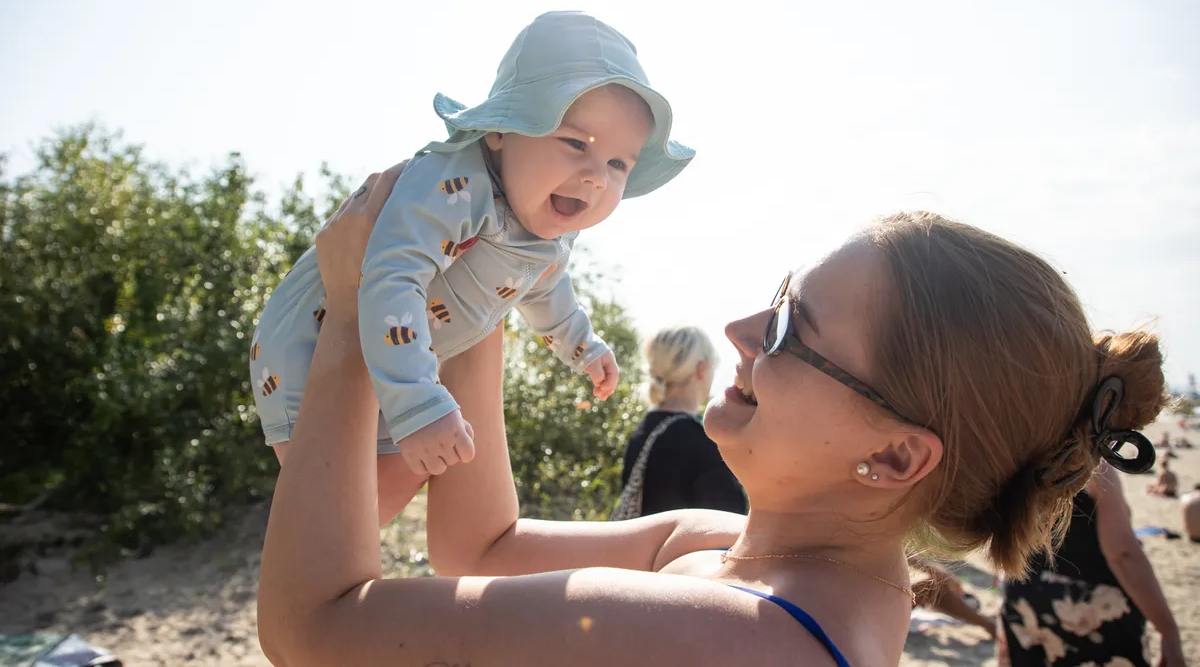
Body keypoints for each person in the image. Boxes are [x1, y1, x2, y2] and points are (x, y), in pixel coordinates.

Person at [258, 183, 1171, 667]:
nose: (740, 330)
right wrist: (482, 284)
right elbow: (479, 544)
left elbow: (312, 631)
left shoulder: (734, 635)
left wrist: (352, 322)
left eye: (788, 329)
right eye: (776, 299)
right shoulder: (747, 559)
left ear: (894, 454)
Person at [249, 11, 694, 509]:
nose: (595, 176)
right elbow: (392, 277)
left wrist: (582, 345)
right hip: (307, 351)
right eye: (575, 143)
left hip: (395, 360)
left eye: (617, 164)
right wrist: (418, 399)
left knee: (388, 494)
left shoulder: (545, 228)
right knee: (331, 503)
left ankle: (340, 563)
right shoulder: (454, 182)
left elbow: (547, 288)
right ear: (500, 131)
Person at [998, 465, 1185, 666]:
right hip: (1085, 599)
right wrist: (1167, 630)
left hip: (1022, 592)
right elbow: (1121, 553)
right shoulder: (1091, 462)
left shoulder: (1014, 452)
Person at [614, 326, 747, 519]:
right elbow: (729, 520)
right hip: (686, 550)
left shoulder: (643, 432)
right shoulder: (701, 441)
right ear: (701, 369)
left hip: (644, 548)